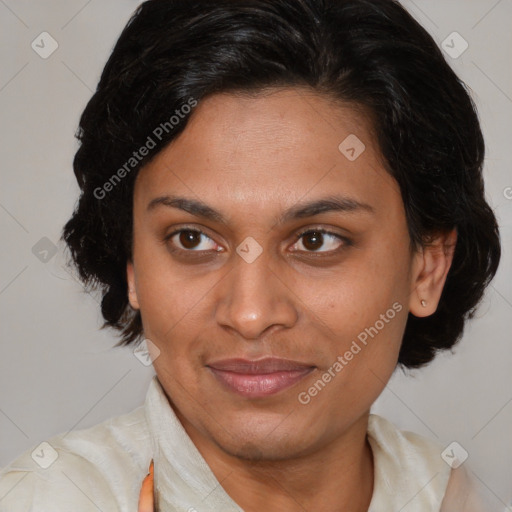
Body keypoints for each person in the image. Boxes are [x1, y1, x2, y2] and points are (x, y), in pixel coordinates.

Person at [0, 0, 502, 510]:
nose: (250, 314)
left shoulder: (466, 497)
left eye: (317, 240)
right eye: (192, 239)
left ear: (428, 266)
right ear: (130, 263)